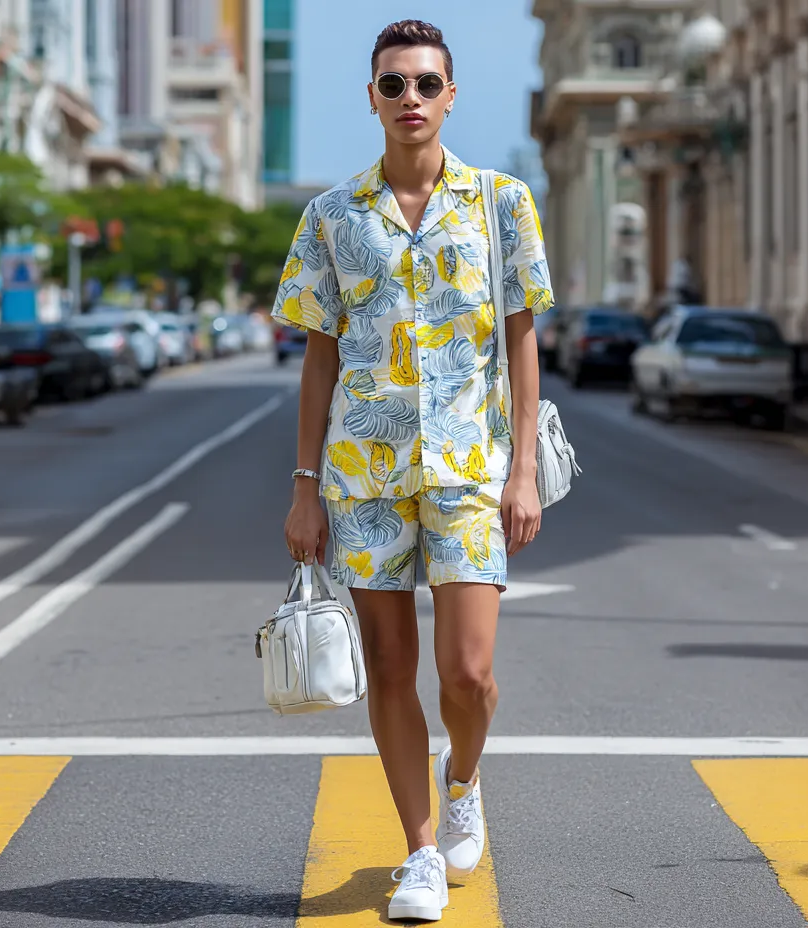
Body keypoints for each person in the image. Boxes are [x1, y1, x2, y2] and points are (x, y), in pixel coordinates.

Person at [273, 19, 553, 923]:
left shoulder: (501, 204)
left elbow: (521, 340)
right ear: (372, 98)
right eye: (393, 85)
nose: (411, 101)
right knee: (391, 670)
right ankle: (422, 850)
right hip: (364, 473)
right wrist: (304, 487)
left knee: (467, 674)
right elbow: (319, 357)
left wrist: (520, 474)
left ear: (451, 95)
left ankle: (464, 778)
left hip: (471, 469)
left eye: (426, 84)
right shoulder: (331, 216)